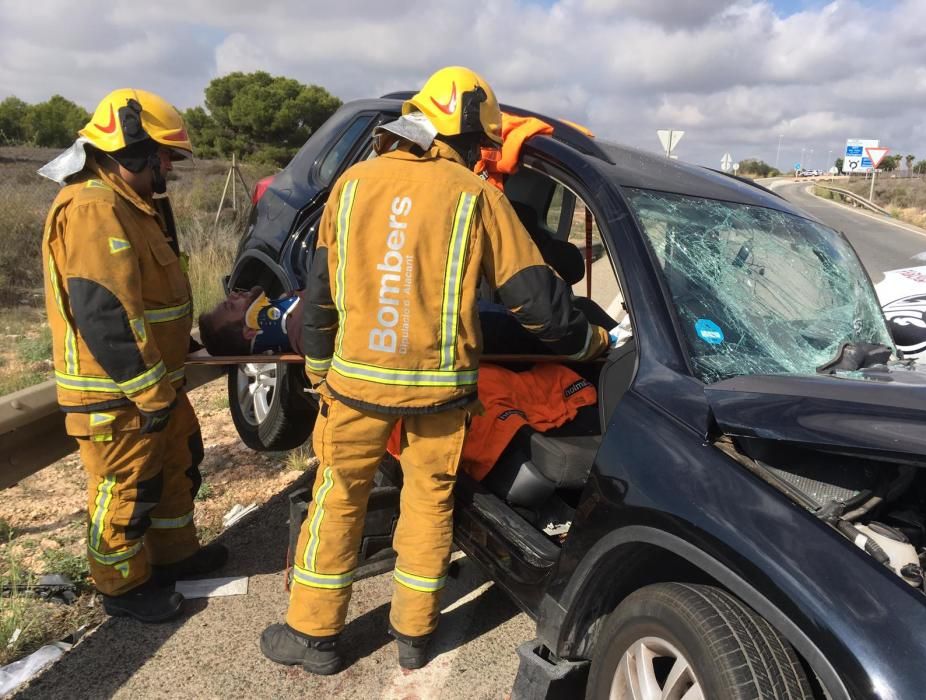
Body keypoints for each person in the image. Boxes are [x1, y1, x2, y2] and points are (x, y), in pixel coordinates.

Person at [259, 66, 608, 674]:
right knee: (430, 504)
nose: (479, 157)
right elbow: (536, 301)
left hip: (357, 388)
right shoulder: (477, 197)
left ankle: (313, 638)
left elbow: (320, 293)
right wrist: (590, 343)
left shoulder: (353, 185)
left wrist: (318, 368)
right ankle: (414, 636)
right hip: (440, 396)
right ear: (468, 138)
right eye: (480, 146)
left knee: (337, 499)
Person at [38, 89, 227, 623]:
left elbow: (151, 296)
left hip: (154, 384)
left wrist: (179, 351)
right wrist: (146, 390)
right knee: (127, 488)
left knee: (174, 466)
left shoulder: (132, 205)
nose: (168, 166)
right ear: (133, 150)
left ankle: (174, 558)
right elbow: (105, 312)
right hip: (118, 392)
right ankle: (122, 587)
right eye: (164, 156)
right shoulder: (93, 208)